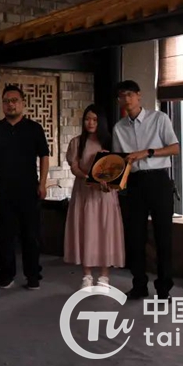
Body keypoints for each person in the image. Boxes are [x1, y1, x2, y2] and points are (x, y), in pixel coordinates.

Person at [112, 80, 180, 300]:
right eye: (122, 96)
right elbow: (120, 162)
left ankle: (164, 288)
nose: (126, 99)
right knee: (135, 238)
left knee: (163, 236)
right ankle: (139, 285)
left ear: (139, 95)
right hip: (134, 183)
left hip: (159, 180)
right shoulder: (118, 128)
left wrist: (147, 152)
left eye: (130, 94)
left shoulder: (159, 118)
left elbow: (175, 148)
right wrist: (108, 179)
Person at [0, 85, 50, 290]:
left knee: (31, 235)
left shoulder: (34, 128)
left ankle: (33, 275)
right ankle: (6, 275)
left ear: (22, 103)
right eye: (6, 101)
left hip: (29, 188)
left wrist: (42, 183)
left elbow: (44, 156)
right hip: (3, 188)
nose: (10, 104)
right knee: (5, 235)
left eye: (14, 100)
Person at [64, 104, 125, 291]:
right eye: (87, 119)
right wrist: (88, 177)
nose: (90, 123)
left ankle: (104, 277)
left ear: (101, 122)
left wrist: (108, 179)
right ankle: (87, 275)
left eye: (94, 120)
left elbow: (118, 167)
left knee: (105, 231)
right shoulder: (76, 142)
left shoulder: (111, 142)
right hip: (84, 192)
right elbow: (74, 167)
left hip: (105, 194)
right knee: (86, 231)